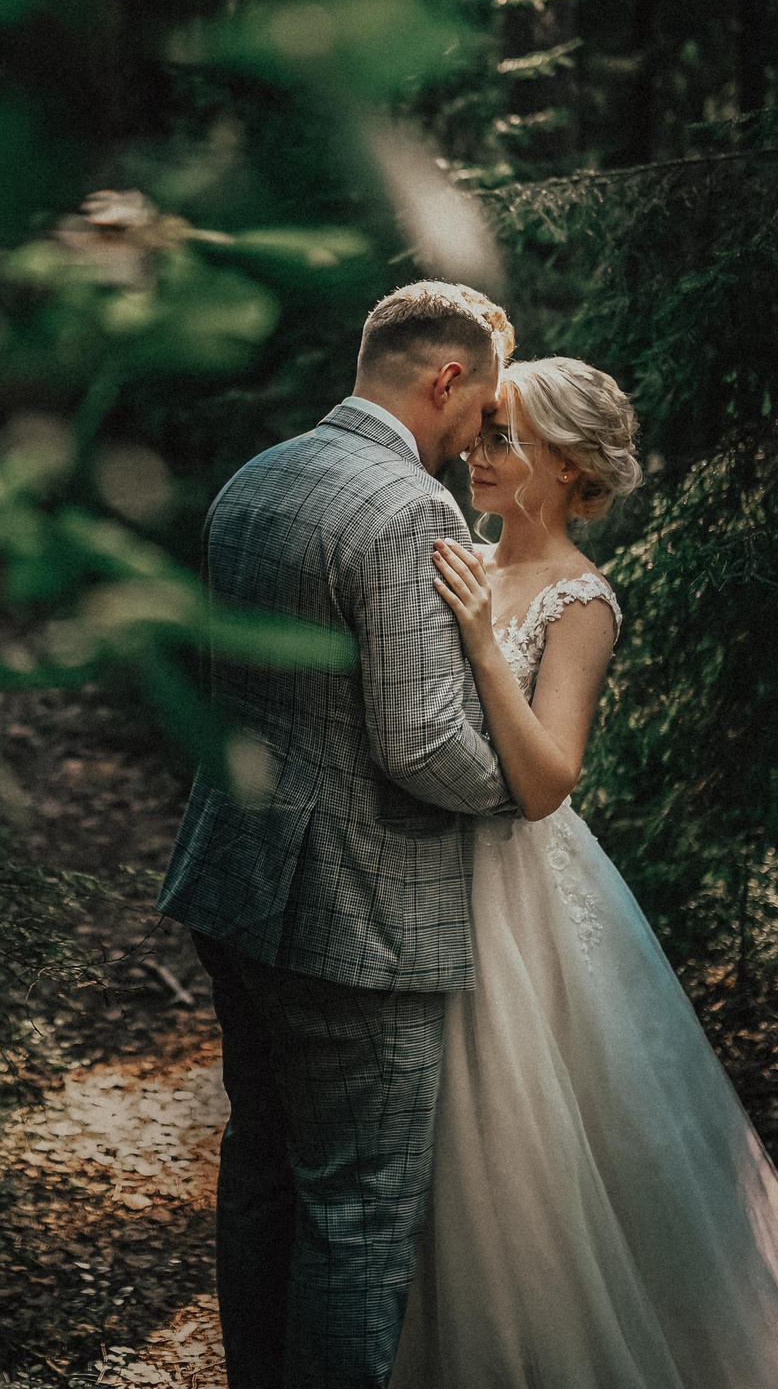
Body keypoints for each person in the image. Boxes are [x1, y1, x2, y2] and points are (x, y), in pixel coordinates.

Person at [394, 356, 778, 1389]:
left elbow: (546, 782)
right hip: (426, 878)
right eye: (481, 432)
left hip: (522, 900)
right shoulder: (455, 554)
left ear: (574, 469)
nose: (480, 454)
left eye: (506, 438)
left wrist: (484, 645)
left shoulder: (579, 599)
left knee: (522, 1145)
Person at [157, 280, 522, 1389]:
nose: (477, 438)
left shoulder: (253, 480)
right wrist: (525, 791)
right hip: (354, 915)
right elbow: (418, 742)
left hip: (238, 876)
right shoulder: (408, 508)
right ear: (445, 378)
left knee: (264, 1171)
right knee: (358, 1211)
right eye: (483, 404)